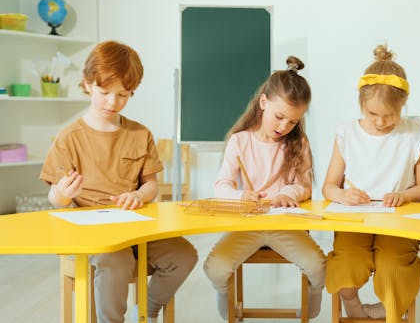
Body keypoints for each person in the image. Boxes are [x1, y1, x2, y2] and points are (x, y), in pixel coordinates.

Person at [39, 41, 198, 323]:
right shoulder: (69, 137)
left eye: (123, 95)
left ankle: (146, 311)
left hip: (136, 230)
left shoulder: (140, 134)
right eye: (104, 92)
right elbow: (55, 198)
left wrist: (139, 195)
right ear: (88, 84)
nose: (113, 102)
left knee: (184, 255)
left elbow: (151, 185)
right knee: (117, 258)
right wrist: (63, 195)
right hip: (93, 237)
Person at [203, 56, 326, 320]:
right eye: (279, 117)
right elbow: (220, 187)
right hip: (248, 224)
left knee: (318, 268)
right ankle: (227, 308)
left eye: (293, 121)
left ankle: (311, 309)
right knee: (215, 269)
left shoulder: (298, 143)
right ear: (263, 103)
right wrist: (240, 196)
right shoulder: (240, 141)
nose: (284, 127)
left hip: (284, 225)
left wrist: (287, 194)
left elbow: (304, 186)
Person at [322, 44, 420, 323]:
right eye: (373, 114)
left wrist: (404, 195)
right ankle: (355, 307)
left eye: (390, 115)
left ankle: (392, 309)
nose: (381, 122)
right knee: (347, 262)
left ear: (403, 105)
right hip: (355, 217)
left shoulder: (415, 133)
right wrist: (343, 196)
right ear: (361, 103)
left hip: (398, 219)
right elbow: (329, 187)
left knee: (394, 265)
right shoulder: (347, 133)